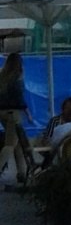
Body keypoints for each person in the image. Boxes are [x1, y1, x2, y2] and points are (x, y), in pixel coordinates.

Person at [0, 54, 36, 187]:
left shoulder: (2, 75)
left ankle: (21, 172)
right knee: (10, 143)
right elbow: (19, 98)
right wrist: (28, 113)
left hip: (2, 112)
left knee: (18, 144)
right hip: (13, 113)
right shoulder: (17, 77)